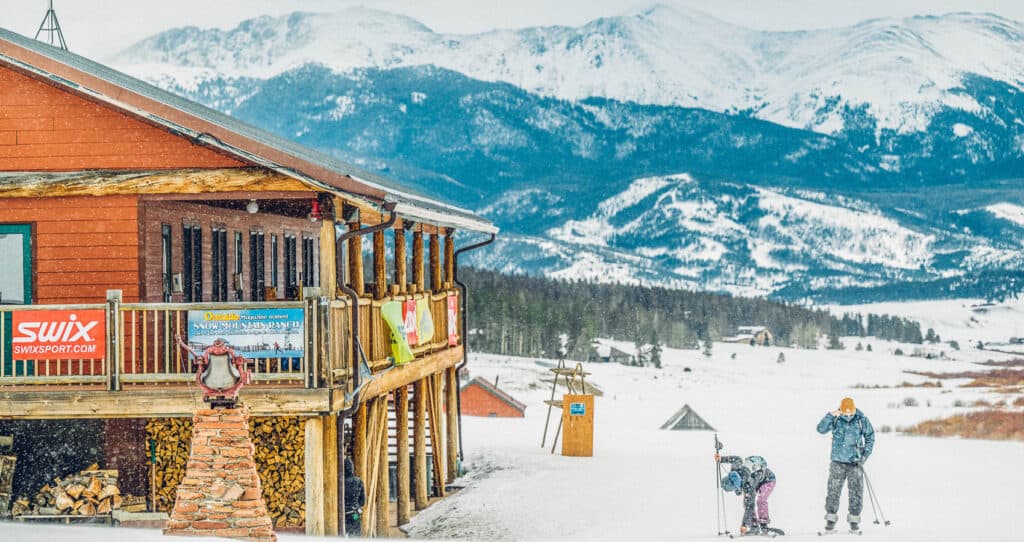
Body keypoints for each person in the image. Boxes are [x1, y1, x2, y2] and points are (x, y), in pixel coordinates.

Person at [817, 397, 875, 534]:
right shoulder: (836, 419)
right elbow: (820, 429)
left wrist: (864, 456)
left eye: (850, 413)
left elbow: (870, 437)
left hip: (855, 463)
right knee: (833, 491)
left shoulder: (861, 420)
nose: (848, 416)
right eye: (845, 413)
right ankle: (830, 521)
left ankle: (854, 521)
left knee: (856, 492)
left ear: (854, 410)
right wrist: (830, 416)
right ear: (841, 411)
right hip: (837, 461)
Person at [716, 453, 776, 535]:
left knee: (760, 499)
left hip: (768, 480)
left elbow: (750, 507)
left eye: (733, 489)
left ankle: (763, 524)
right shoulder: (735, 469)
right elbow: (737, 458)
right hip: (756, 482)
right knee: (746, 502)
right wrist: (721, 459)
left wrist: (744, 524)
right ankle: (754, 526)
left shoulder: (748, 485)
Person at [343, 457, 366, 536]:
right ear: (352, 468)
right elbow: (363, 502)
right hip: (354, 514)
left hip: (342, 515)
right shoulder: (358, 481)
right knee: (355, 532)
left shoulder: (340, 482)